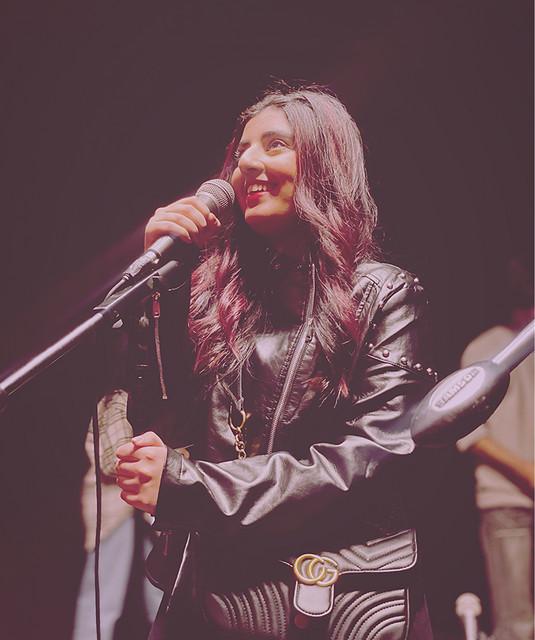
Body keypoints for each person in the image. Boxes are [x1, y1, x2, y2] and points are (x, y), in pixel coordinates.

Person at [114, 86, 437, 639]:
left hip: (334, 598)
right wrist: (160, 287)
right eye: (241, 151)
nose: (247, 163)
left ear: (325, 165)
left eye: (275, 144)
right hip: (210, 591)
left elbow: (371, 459)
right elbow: (161, 424)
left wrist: (194, 486)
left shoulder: (383, 294)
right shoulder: (214, 296)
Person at [457, 257, 534, 640]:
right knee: (518, 624)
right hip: (508, 502)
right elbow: (470, 434)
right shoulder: (487, 348)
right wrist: (527, 472)